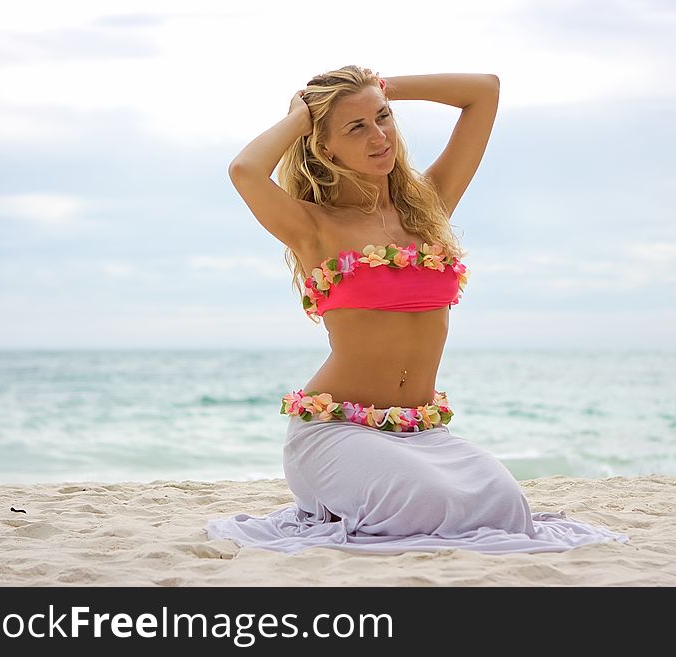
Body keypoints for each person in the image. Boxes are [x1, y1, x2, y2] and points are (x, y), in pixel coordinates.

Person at [205, 65, 629, 554]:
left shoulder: (429, 207)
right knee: (428, 505)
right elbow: (244, 171)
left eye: (383, 119)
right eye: (356, 128)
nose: (379, 135)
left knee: (507, 506)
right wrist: (302, 118)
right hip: (335, 432)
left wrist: (385, 90)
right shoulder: (314, 227)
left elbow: (484, 92)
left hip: (420, 430)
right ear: (325, 148)